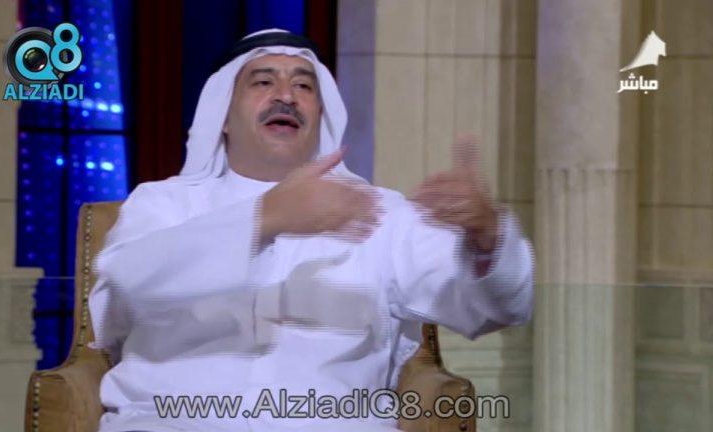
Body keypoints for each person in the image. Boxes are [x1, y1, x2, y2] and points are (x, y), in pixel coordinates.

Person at [88, 29, 534, 432]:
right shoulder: (162, 204)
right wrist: (266, 218)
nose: (286, 95)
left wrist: (488, 238)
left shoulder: (380, 214)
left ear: (321, 116)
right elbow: (127, 284)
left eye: (304, 86)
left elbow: (497, 309)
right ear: (221, 115)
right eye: (263, 82)